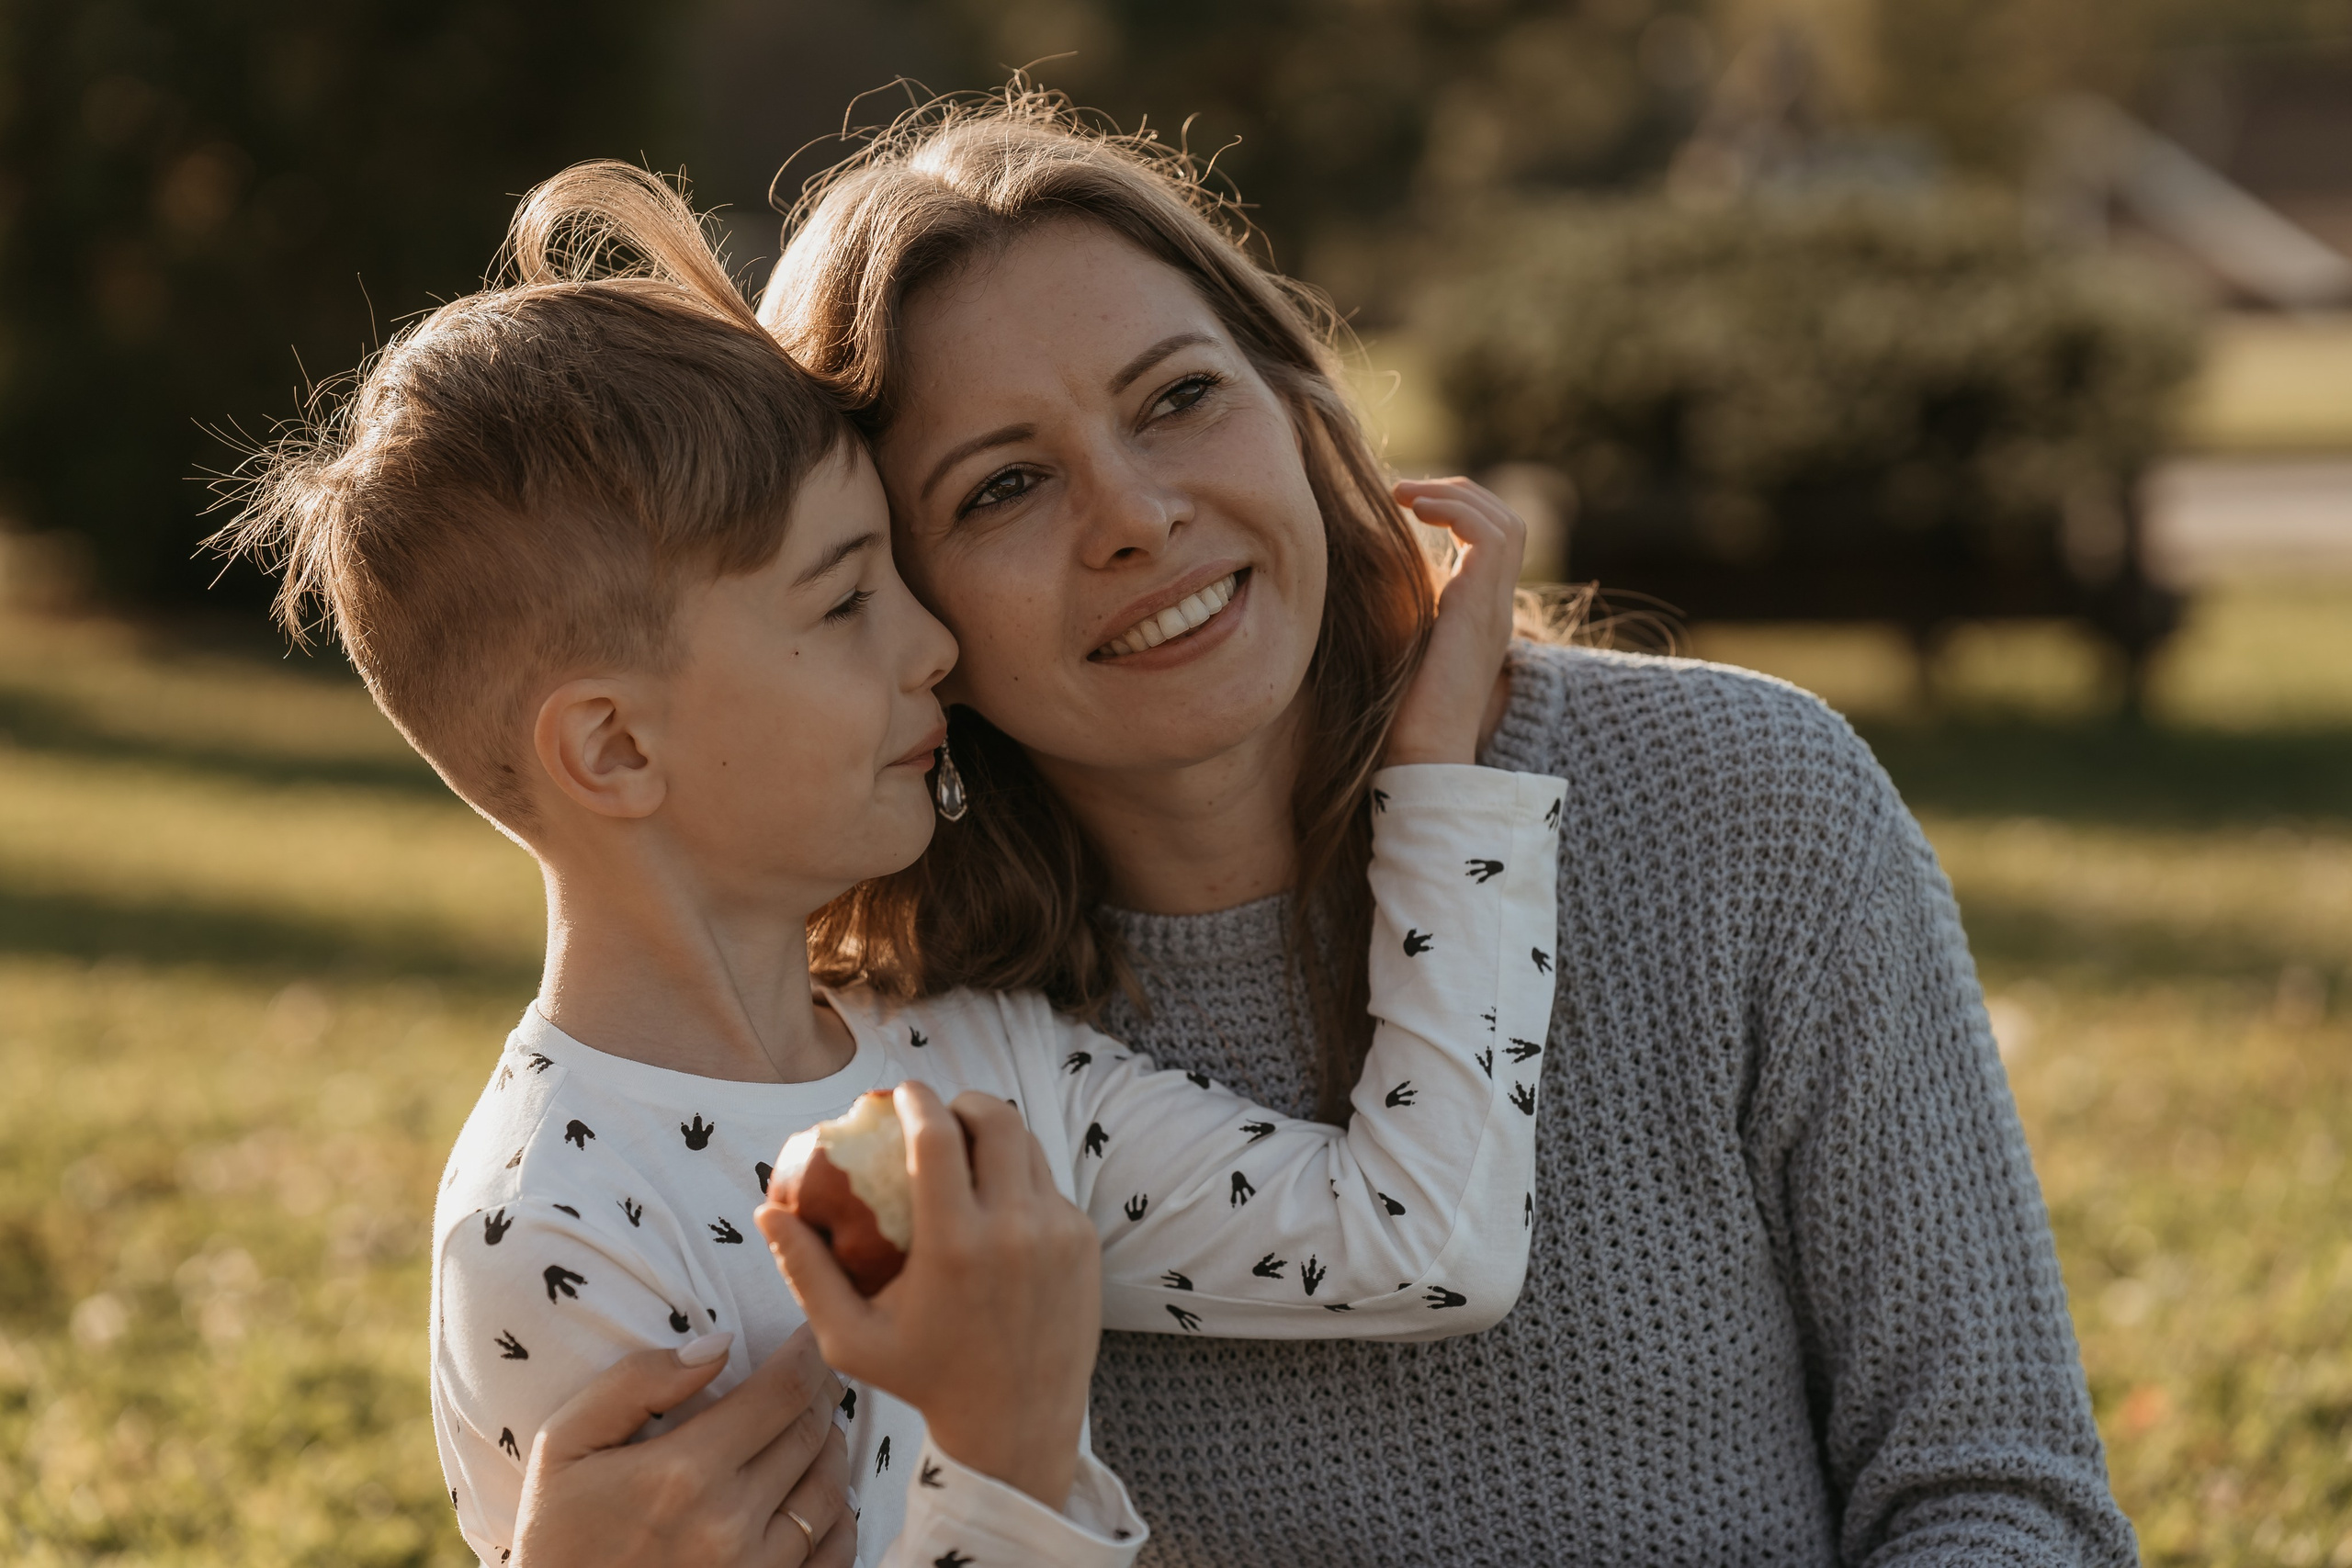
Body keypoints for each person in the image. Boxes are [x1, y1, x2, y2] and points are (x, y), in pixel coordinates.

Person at [514, 90, 2138, 1565]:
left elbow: (1996, 1496)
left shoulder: (1742, 805)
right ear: (894, 608)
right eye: (1001, 489)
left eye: (1179, 399)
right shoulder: (896, 1092)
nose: (1137, 517)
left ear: (1302, 405)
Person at [219, 160, 1567, 1568]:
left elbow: (1422, 1242)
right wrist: (1006, 1452)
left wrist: (1437, 788)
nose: (932, 646)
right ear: (614, 750)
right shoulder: (554, 1232)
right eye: (848, 597)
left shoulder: (977, 1062)